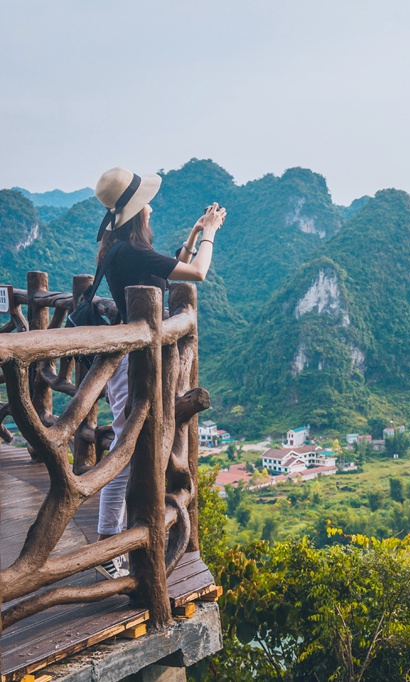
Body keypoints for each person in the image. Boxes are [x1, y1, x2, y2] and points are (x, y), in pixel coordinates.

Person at [92, 167, 226, 579]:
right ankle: (106, 546)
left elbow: (166, 276)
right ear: (136, 211)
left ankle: (114, 541)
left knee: (131, 449)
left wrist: (191, 236)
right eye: (146, 201)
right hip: (131, 366)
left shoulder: (122, 248)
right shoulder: (130, 251)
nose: (151, 206)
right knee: (125, 453)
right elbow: (197, 274)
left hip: (136, 363)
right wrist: (211, 233)